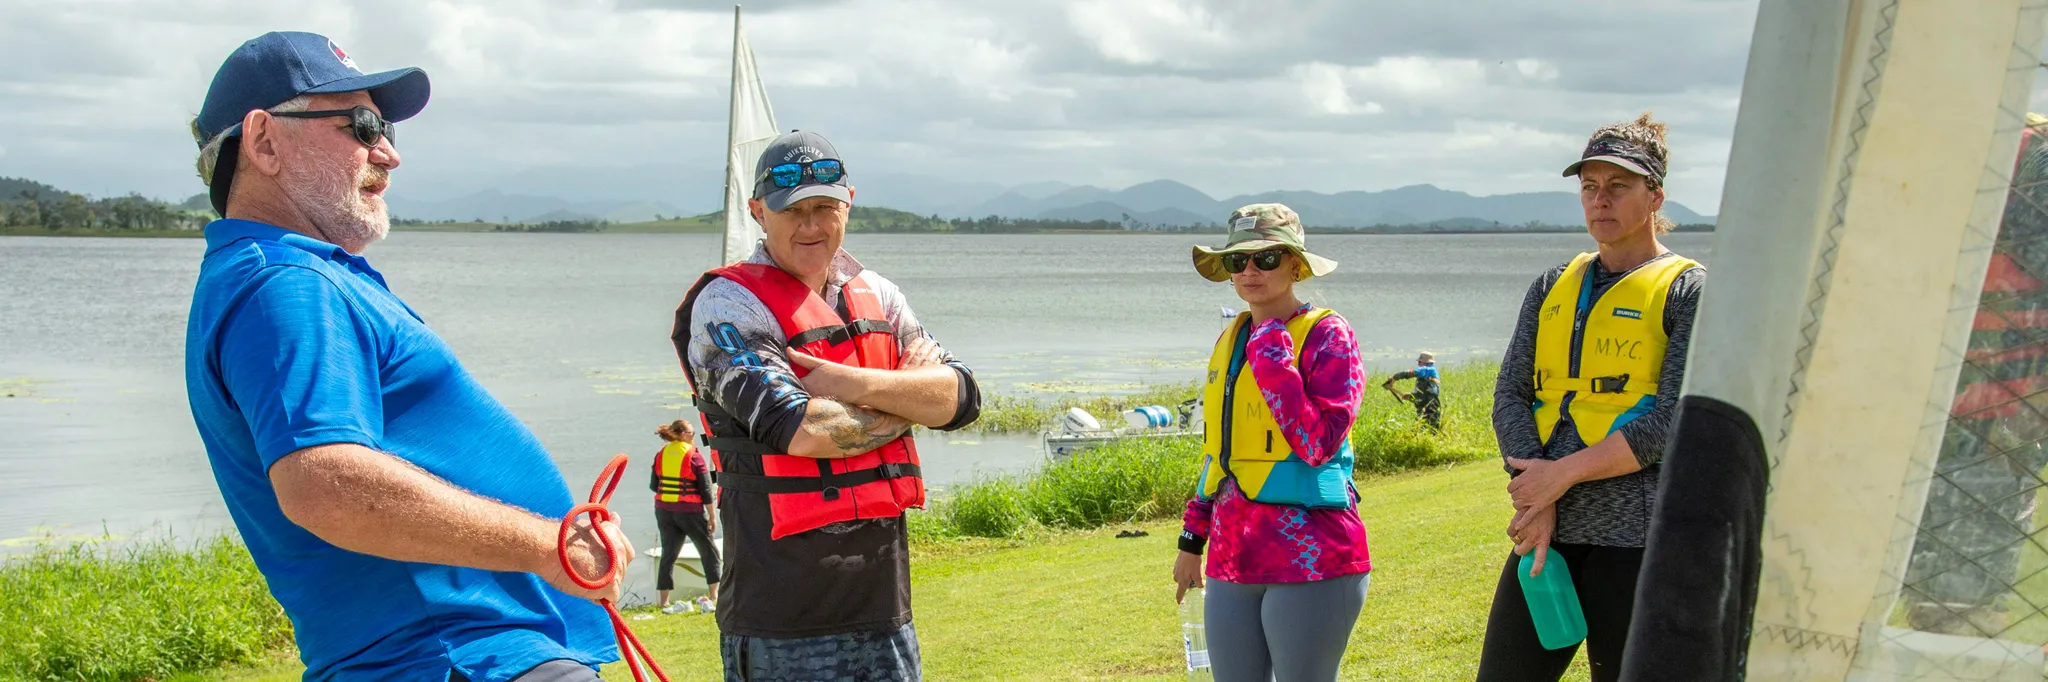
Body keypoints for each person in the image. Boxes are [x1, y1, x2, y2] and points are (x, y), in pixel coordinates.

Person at [181, 32, 621, 682]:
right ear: (265, 141)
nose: (387, 152)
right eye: (360, 125)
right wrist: (546, 546)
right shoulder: (286, 286)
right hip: (456, 659)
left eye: (384, 128)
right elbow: (325, 485)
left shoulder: (298, 277)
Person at [670, 130, 982, 681]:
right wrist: (908, 396)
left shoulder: (879, 294)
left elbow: (961, 396)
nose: (811, 226)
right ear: (758, 212)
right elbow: (806, 431)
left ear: (849, 204)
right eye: (793, 210)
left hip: (885, 610)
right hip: (778, 622)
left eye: (825, 207)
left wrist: (847, 381)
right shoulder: (729, 305)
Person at [1476, 112, 1706, 682]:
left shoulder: (1689, 290)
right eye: (1589, 187)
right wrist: (1540, 495)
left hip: (1637, 537)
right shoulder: (1552, 284)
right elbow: (1510, 395)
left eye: (1618, 186)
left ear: (1655, 195)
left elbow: (1672, 420)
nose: (1600, 200)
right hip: (1543, 531)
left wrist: (1562, 476)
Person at [1172, 203, 1373, 682]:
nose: (1249, 271)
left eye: (1266, 259)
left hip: (1313, 558)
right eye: (1238, 260)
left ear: (1294, 265)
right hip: (1230, 557)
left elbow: (1317, 443)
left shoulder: (1328, 335)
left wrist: (1272, 354)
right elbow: (1219, 454)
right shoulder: (1232, 338)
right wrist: (1190, 539)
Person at [1898, 113, 2048, 635]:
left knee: (1947, 613)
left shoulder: (1983, 138)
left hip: (1970, 415)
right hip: (1987, 424)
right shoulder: (2030, 155)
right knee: (1957, 615)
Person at [650, 419, 720, 616]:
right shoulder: (694, 456)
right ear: (682, 434)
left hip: (664, 509)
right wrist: (712, 516)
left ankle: (664, 601)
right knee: (708, 550)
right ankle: (714, 595)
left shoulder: (661, 454)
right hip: (689, 510)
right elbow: (706, 489)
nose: (693, 436)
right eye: (691, 433)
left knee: (668, 554)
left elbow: (654, 485)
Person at [1382, 351, 1443, 430]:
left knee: (1428, 428)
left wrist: (1394, 378)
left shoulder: (1426, 369)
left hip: (1428, 409)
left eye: (1419, 362)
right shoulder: (1431, 372)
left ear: (1425, 362)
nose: (1418, 364)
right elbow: (1424, 394)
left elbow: (1408, 373)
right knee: (1429, 428)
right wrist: (1412, 396)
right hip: (1430, 407)